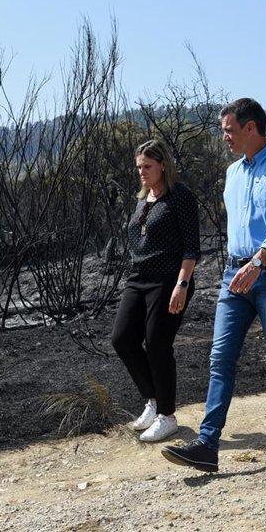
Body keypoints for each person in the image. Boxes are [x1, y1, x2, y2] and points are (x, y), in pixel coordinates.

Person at [161, 98, 266, 472]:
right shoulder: (232, 172)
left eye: (229, 129)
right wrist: (241, 266)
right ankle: (207, 445)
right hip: (233, 275)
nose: (224, 136)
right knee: (220, 358)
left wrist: (259, 262)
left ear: (250, 128)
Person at [110, 139, 200, 443]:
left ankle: (167, 416)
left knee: (158, 344)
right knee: (122, 339)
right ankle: (152, 400)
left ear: (163, 165)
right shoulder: (143, 198)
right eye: (138, 167)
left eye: (147, 166)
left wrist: (182, 284)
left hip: (169, 280)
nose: (142, 172)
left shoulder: (180, 197)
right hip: (138, 279)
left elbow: (191, 248)